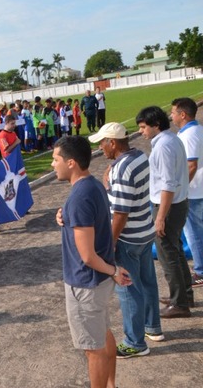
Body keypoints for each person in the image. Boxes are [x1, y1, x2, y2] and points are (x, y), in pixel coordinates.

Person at [52, 136, 131, 388]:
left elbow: (87, 255)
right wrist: (64, 215)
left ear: (71, 162)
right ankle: (111, 384)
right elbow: (90, 222)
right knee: (102, 333)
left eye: (56, 159)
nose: (53, 164)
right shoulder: (92, 185)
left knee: (92, 348)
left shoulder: (79, 197)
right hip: (96, 283)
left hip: (85, 284)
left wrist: (114, 271)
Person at [89, 123, 163, 358]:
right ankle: (153, 328)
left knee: (129, 290)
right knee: (148, 283)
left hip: (127, 238)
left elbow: (120, 213)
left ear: (113, 142)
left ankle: (135, 342)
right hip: (144, 232)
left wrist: (110, 242)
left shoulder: (122, 169)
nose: (101, 148)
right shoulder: (139, 156)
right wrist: (111, 167)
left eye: (102, 143)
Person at [136, 106, 192, 318]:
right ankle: (184, 295)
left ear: (155, 125)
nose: (141, 131)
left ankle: (180, 303)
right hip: (176, 203)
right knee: (175, 250)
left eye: (143, 127)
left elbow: (168, 184)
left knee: (167, 253)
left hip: (168, 206)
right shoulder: (171, 140)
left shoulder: (164, 146)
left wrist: (160, 217)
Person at [171, 97, 203, 288]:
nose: (171, 116)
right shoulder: (198, 129)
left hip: (194, 190)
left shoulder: (189, 135)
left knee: (194, 233)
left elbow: (191, 165)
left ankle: (200, 272)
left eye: (173, 112)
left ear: (183, 114)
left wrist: (181, 189)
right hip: (198, 188)